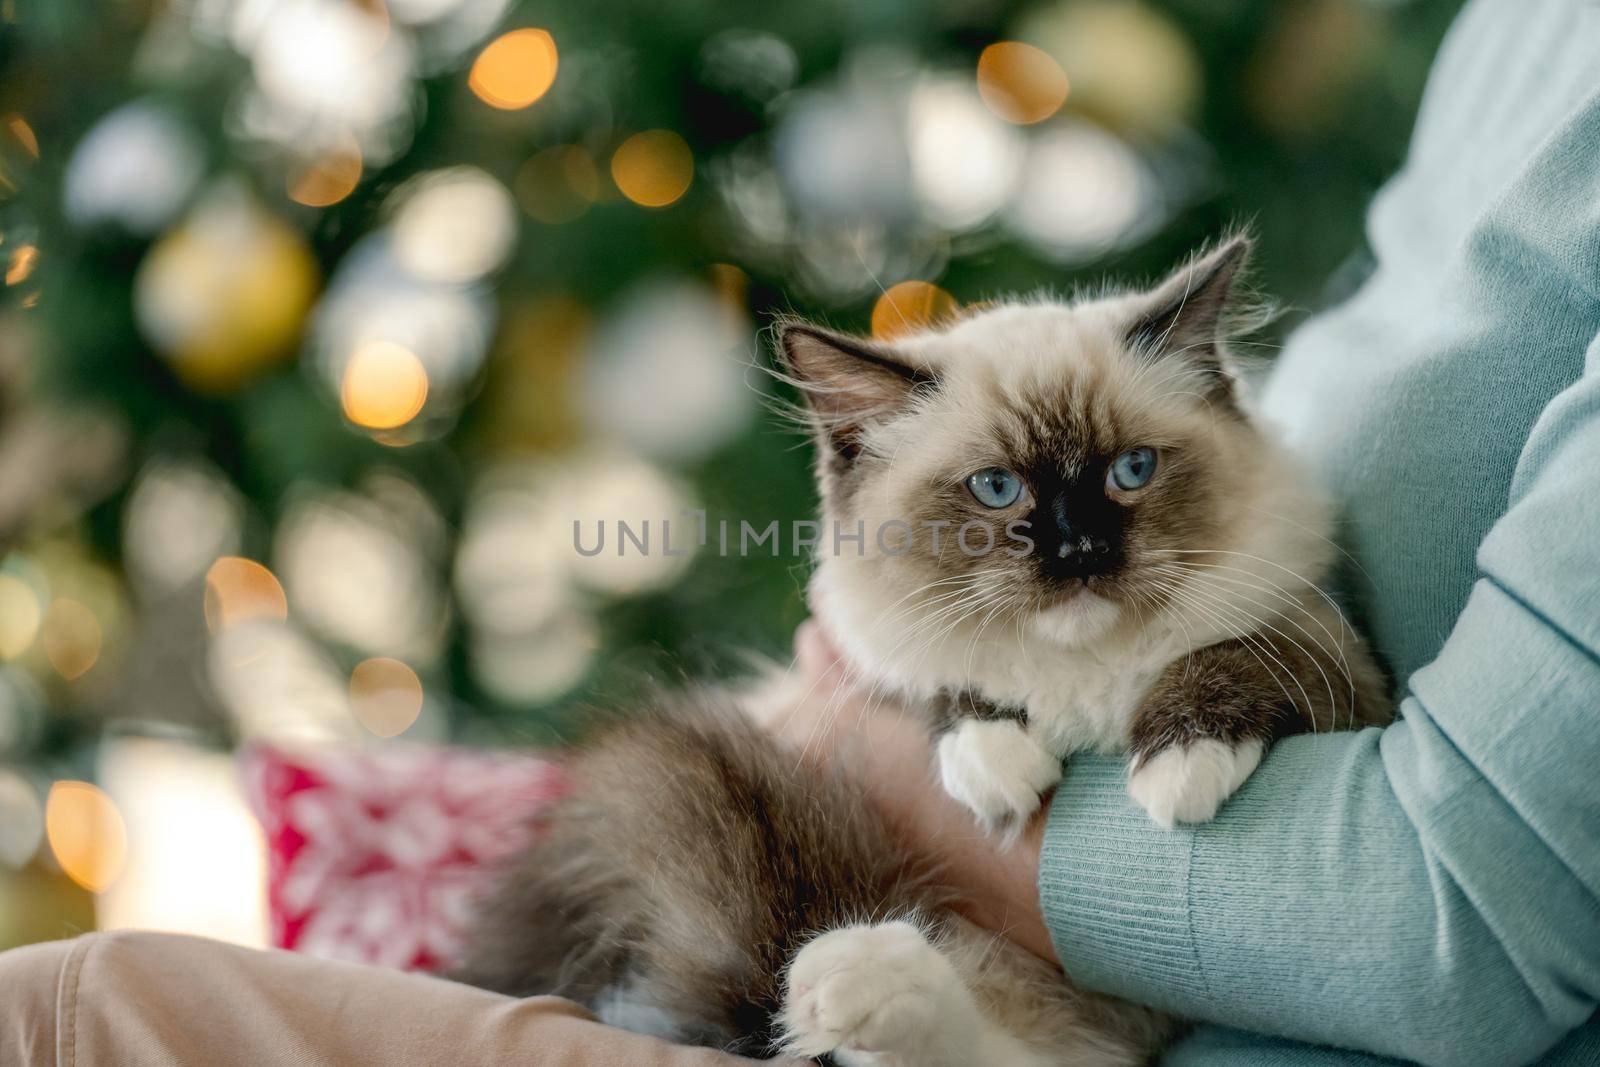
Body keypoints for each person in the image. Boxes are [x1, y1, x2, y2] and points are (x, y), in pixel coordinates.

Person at [3, 0, 1597, 1063]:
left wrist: (889, 768)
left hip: (1141, 979)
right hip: (922, 887)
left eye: (1109, 487)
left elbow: (1467, 919)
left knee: (80, 1015)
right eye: (998, 500)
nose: (1065, 540)